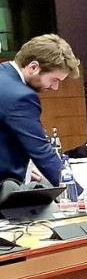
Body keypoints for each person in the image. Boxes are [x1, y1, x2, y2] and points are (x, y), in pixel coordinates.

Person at [0, 34, 77, 185]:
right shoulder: (20, 96)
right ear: (33, 67)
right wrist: (77, 194)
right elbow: (41, 151)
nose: (55, 87)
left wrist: (26, 167)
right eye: (54, 80)